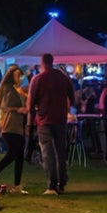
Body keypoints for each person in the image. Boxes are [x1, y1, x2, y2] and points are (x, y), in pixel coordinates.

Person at [28, 53, 76, 195]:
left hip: (44, 119)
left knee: (47, 152)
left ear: (42, 63)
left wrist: (33, 115)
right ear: (52, 61)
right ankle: (62, 182)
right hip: (60, 119)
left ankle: (51, 185)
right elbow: (72, 96)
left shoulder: (39, 79)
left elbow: (31, 101)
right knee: (60, 151)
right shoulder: (63, 77)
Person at [0, 65, 28, 193]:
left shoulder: (16, 90)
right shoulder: (7, 89)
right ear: (11, 76)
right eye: (17, 76)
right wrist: (17, 109)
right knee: (12, 153)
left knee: (19, 156)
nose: (19, 78)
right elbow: (4, 107)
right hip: (9, 126)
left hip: (18, 126)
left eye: (20, 76)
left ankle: (17, 185)